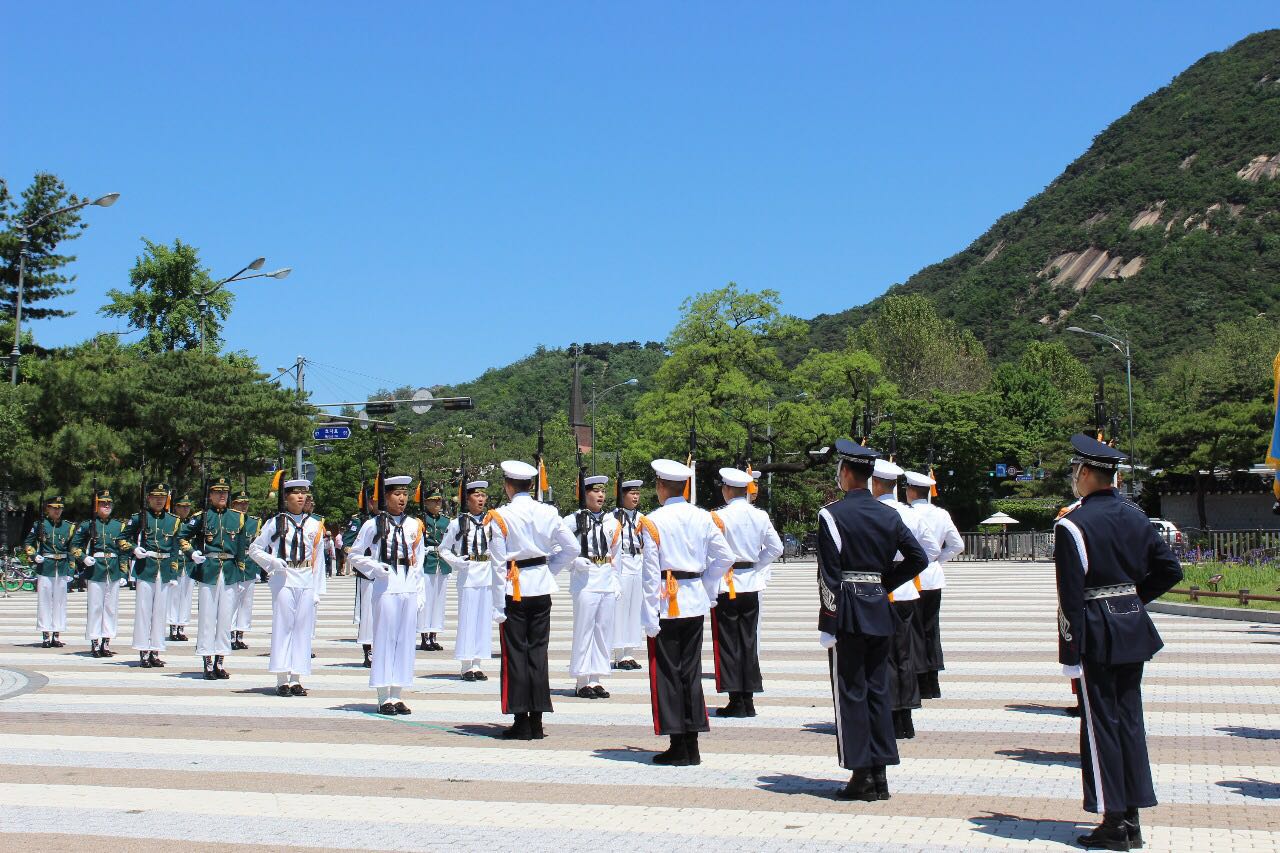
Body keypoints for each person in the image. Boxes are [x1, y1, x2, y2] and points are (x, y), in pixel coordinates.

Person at [1057, 434, 1182, 850]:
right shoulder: (1136, 516)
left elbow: (1070, 597)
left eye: (1076, 471)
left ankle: (1113, 820)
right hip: (1131, 627)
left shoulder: (1073, 524)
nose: (1075, 477)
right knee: (1129, 720)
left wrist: (1069, 653)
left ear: (1086, 473)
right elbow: (1170, 570)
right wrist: (1131, 600)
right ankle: (1132, 816)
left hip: (1096, 630)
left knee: (1101, 727)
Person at [817, 440, 927, 801]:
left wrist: (828, 621)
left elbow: (828, 575)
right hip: (879, 609)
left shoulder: (832, 515)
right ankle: (880, 773)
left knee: (851, 692)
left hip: (848, 611)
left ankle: (861, 774)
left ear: (846, 473)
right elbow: (918, 558)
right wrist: (882, 584)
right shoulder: (889, 514)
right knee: (878, 690)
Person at [638, 459, 734, 766]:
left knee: (667, 673)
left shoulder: (653, 521)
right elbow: (725, 557)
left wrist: (649, 616)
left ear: (661, 486)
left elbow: (650, 575)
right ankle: (692, 742)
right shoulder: (703, 517)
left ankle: (678, 743)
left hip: (666, 603)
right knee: (690, 671)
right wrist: (705, 586)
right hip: (693, 600)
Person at [486, 460, 578, 740]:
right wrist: (548, 570)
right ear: (531, 485)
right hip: (540, 587)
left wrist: (497, 605)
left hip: (514, 589)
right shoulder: (548, 512)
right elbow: (572, 548)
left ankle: (521, 720)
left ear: (508, 486)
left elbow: (498, 563)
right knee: (538, 653)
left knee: (516, 654)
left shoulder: (501, 516)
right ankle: (537, 721)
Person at [869, 458, 940, 740]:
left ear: (875, 483)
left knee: (882, 655)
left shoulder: (872, 511)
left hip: (879, 588)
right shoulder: (911, 514)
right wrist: (907, 572)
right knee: (905, 653)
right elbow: (930, 551)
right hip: (906, 590)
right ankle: (906, 717)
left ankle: (888, 712)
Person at [347, 475, 427, 715]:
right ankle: (384, 696)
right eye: (397, 494)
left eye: (405, 494)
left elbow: (419, 560)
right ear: (386, 496)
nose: (402, 499)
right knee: (385, 639)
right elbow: (354, 554)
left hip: (407, 582)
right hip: (386, 583)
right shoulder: (373, 524)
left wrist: (419, 590)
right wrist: (374, 568)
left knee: (404, 641)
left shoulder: (414, 524)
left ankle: (397, 693)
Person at [709, 467, 783, 718]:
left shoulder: (718, 516)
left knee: (728, 642)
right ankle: (748, 699)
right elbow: (776, 548)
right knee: (748, 641)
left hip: (727, 584)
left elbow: (711, 552)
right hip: (751, 583)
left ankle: (735, 699)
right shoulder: (759, 515)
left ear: (727, 490)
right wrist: (755, 565)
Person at [249, 479, 326, 696]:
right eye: (295, 493)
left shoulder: (315, 524)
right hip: (284, 577)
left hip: (306, 576)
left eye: (304, 493)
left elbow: (319, 559)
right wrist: (272, 562)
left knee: (303, 629)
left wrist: (318, 590)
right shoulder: (275, 522)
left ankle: (296, 678)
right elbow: (255, 549)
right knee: (283, 627)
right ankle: (282, 678)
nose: (301, 497)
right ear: (286, 497)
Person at [904, 470, 963, 699]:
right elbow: (957, 545)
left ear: (910, 491)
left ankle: (919, 682)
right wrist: (937, 559)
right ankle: (932, 683)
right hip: (933, 577)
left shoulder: (907, 513)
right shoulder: (941, 514)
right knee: (931, 629)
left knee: (913, 631)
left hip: (911, 577)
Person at [180, 477, 247, 680]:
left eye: (225, 492)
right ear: (210, 495)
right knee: (207, 618)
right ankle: (207, 661)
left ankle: (220, 661)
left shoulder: (237, 517)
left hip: (230, 571)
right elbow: (181, 536)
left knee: (226, 619)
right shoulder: (202, 517)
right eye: (218, 492)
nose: (222, 495)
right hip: (209, 569)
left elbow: (241, 549)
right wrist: (191, 553)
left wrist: (241, 575)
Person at [564, 474, 620, 698]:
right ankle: (581, 680)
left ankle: (596, 678)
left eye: (603, 491)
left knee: (603, 630)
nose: (600, 495)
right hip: (584, 580)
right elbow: (558, 549)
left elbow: (616, 553)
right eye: (595, 491)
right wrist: (573, 563)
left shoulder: (612, 521)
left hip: (605, 576)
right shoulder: (571, 521)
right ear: (584, 493)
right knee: (584, 630)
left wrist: (616, 580)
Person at [439, 481, 497, 680]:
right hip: (469, 572)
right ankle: (466, 664)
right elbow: (444, 548)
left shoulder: (492, 521)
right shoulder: (458, 523)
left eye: (483, 496)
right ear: (467, 499)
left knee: (483, 620)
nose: (481, 499)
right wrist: (457, 562)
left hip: (487, 572)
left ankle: (478, 663)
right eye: (476, 496)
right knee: (468, 619)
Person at [120, 484, 181, 668]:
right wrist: (134, 549)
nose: (159, 500)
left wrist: (173, 572)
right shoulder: (139, 518)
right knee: (144, 611)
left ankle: (155, 649)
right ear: (148, 498)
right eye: (155, 497)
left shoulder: (173, 520)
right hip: (146, 567)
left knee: (160, 612)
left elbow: (175, 548)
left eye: (162, 497)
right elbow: (122, 539)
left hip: (164, 568)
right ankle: (143, 650)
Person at [73, 489, 127, 658]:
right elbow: (74, 546)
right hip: (95, 569)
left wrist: (124, 572)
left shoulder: (119, 526)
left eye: (109, 504)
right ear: (96, 506)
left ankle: (106, 641)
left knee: (110, 608)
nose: (106, 506)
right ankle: (95, 641)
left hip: (113, 569)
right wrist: (83, 558)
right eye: (103, 503)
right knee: (95, 607)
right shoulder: (87, 525)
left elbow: (124, 550)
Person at [25, 495, 77, 649]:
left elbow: (72, 549)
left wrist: (71, 569)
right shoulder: (40, 525)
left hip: (61, 567)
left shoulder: (68, 526)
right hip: (45, 567)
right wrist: (34, 556)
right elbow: (28, 542)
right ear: (47, 509)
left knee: (60, 602)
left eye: (60, 508)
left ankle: (56, 634)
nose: (57, 511)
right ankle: (45, 635)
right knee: (45, 602)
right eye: (54, 508)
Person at [610, 478, 646, 671]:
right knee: (620, 609)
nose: (635, 497)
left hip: (637, 561)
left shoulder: (642, 518)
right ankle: (619, 653)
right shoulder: (612, 517)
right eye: (632, 493)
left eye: (637, 493)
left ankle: (630, 651)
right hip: (622, 561)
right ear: (622, 495)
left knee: (635, 609)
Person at [417, 487, 452, 652]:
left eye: (439, 500)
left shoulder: (446, 521)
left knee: (439, 601)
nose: (438, 503)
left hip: (442, 563)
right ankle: (424, 636)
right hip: (427, 563)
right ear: (426, 502)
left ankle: (433, 635)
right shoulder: (420, 520)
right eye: (434, 501)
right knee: (426, 601)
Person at [344, 487, 375, 668]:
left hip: (388, 573)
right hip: (367, 572)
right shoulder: (360, 521)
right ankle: (368, 650)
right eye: (373, 500)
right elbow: (347, 544)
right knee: (367, 614)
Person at [230, 489, 261, 650]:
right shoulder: (229, 520)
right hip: (233, 564)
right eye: (240, 503)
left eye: (246, 504)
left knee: (246, 603)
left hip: (249, 564)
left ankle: (240, 635)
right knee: (232, 601)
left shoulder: (254, 522)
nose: (244, 506)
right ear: (233, 504)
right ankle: (230, 634)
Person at [167, 496, 197, 643]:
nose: (185, 509)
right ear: (176, 508)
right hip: (176, 562)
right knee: (173, 597)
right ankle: (173, 627)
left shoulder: (192, 524)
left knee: (186, 596)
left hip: (189, 563)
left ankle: (181, 627)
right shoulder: (171, 522)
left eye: (187, 507)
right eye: (182, 506)